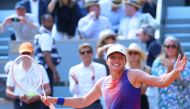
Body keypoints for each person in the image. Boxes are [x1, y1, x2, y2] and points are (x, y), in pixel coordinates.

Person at [41, 44, 187, 109]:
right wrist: (55, 100)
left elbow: (162, 81)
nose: (116, 60)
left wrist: (175, 71)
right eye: (112, 57)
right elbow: (83, 101)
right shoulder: (102, 82)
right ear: (107, 61)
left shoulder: (133, 74)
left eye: (120, 57)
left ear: (124, 60)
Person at [6, 42, 51, 109]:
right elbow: (8, 91)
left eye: (28, 53)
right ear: (20, 54)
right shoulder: (14, 69)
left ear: (32, 53)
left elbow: (48, 89)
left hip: (37, 104)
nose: (26, 55)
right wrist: (19, 97)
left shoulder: (40, 68)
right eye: (23, 53)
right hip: (19, 104)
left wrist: (36, 97)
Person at [151, 36, 190, 109]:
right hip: (164, 105)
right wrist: (170, 70)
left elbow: (186, 81)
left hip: (182, 104)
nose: (170, 48)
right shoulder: (158, 62)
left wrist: (173, 70)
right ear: (164, 48)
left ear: (177, 47)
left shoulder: (185, 62)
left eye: (173, 46)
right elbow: (157, 81)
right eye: (168, 46)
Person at [69, 43, 107, 109]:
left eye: (88, 52)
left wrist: (94, 77)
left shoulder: (101, 67)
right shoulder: (74, 69)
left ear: (92, 53)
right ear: (79, 55)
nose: (86, 54)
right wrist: (76, 82)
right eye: (83, 52)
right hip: (78, 103)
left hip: (94, 103)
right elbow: (73, 91)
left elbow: (102, 88)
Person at [34, 14, 60, 98]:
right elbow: (46, 55)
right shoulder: (45, 35)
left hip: (42, 69)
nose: (51, 23)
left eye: (52, 21)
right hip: (46, 69)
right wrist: (54, 72)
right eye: (48, 21)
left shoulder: (40, 34)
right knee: (47, 96)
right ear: (43, 22)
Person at [126, 43, 150, 109]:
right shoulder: (123, 70)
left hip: (141, 101)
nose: (133, 55)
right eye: (130, 53)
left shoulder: (146, 69)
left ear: (139, 55)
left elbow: (143, 91)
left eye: (135, 53)